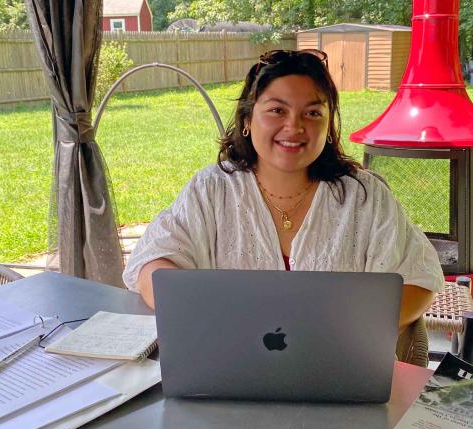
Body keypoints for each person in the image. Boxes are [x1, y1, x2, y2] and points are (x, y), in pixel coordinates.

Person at [123, 49, 444, 333]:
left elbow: (418, 278)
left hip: (337, 370)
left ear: (328, 125)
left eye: (313, 112)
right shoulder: (212, 190)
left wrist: (352, 330)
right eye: (277, 110)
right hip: (231, 371)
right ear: (247, 120)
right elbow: (151, 265)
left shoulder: (364, 197)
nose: (295, 126)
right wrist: (211, 320)